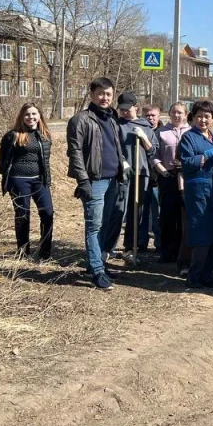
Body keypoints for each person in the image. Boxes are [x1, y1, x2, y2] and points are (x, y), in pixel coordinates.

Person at [67, 77, 127, 291]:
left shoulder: (111, 118)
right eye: (101, 93)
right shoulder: (80, 120)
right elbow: (75, 152)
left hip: (113, 180)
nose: (105, 98)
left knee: (107, 223)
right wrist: (83, 180)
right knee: (94, 225)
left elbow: (116, 148)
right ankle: (97, 271)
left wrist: (122, 171)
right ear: (91, 94)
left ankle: (98, 264)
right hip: (94, 181)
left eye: (108, 94)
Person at [177, 100, 213, 289]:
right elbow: (186, 162)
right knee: (201, 232)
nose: (203, 120)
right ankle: (194, 276)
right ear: (193, 117)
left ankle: (208, 275)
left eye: (207, 116)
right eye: (199, 116)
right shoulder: (188, 138)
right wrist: (206, 156)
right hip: (198, 190)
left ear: (212, 118)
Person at [0, 102, 54, 259]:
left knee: (48, 213)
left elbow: (45, 161)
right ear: (22, 117)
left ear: (39, 116)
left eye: (34, 114)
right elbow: (3, 161)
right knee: (23, 215)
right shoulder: (13, 135)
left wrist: (46, 179)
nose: (31, 117)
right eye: (27, 114)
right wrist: (9, 181)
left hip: (39, 181)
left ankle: (45, 253)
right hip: (19, 181)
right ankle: (23, 252)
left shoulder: (44, 135)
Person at [108, 92, 157, 267]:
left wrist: (143, 137)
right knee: (118, 209)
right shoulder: (115, 125)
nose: (125, 113)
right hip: (122, 172)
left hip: (141, 172)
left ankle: (130, 247)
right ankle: (109, 247)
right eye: (121, 110)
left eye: (128, 109)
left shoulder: (145, 125)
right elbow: (112, 148)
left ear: (136, 107)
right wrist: (122, 163)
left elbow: (152, 151)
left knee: (136, 211)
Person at [152, 102, 190, 267]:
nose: (176, 116)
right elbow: (154, 155)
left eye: (180, 113)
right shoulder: (161, 132)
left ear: (186, 115)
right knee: (167, 215)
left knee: (183, 215)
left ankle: (182, 251)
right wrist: (163, 172)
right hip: (167, 176)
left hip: (186, 178)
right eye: (174, 112)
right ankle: (166, 250)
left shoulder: (191, 132)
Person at [142, 104, 163, 251]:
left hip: (157, 180)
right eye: (147, 115)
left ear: (158, 116)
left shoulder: (162, 133)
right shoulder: (140, 130)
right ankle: (141, 243)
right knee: (142, 214)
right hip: (142, 178)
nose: (150, 118)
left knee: (157, 215)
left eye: (153, 115)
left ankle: (159, 244)